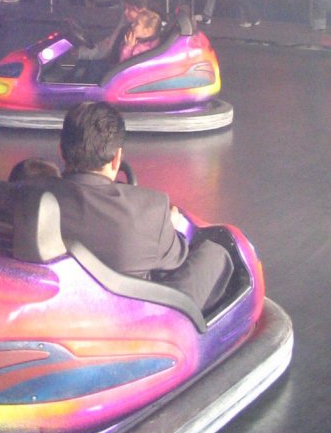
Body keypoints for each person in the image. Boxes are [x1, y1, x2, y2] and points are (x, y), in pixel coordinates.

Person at [55, 102, 233, 313]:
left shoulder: (32, 195)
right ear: (117, 158)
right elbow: (175, 260)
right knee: (215, 255)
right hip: (130, 318)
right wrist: (173, 228)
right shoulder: (151, 209)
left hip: (59, 306)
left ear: (61, 151)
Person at [77, 0, 159, 64]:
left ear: (141, 11)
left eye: (130, 9)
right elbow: (108, 45)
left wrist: (128, 47)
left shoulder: (147, 44)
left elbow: (123, 61)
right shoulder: (126, 23)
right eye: (125, 8)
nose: (125, 12)